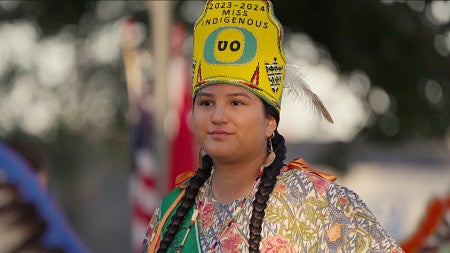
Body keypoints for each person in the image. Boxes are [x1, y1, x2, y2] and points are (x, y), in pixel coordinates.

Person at [141, 0, 404, 252]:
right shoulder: (173, 211)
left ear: (270, 122)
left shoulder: (317, 202)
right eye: (206, 103)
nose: (218, 116)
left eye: (236, 103)